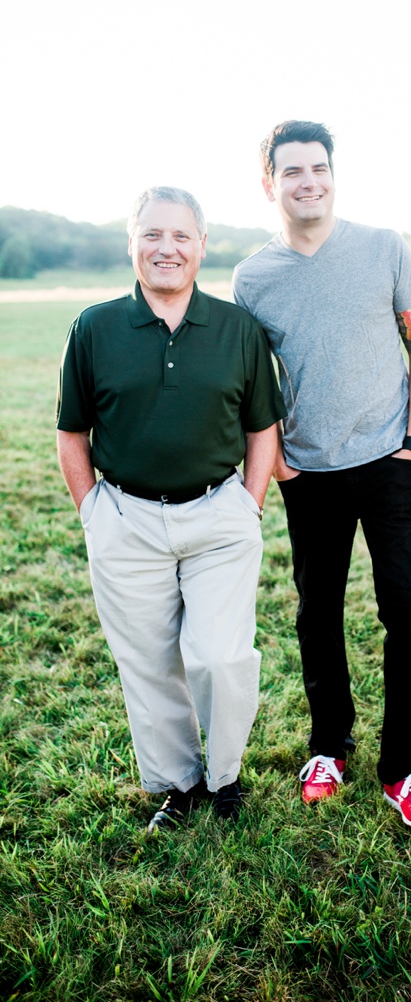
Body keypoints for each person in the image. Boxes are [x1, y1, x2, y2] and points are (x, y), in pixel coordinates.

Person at [231, 120, 411, 829]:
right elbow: (250, 379)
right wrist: (281, 459)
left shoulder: (383, 248)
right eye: (292, 171)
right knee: (316, 610)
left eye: (318, 167)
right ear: (270, 184)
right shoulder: (253, 278)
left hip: (390, 462)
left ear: (334, 173)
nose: (308, 181)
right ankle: (329, 744)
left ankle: (406, 767)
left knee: (408, 608)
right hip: (311, 472)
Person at [56, 186, 284, 830]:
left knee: (221, 656)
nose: (167, 248)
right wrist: (92, 510)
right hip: (124, 518)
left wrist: (250, 503)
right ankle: (179, 786)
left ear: (202, 247)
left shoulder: (238, 328)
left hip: (218, 515)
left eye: (181, 236)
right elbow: (72, 431)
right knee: (150, 664)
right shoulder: (95, 327)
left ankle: (226, 776)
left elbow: (262, 427)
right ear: (132, 244)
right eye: (153, 235)